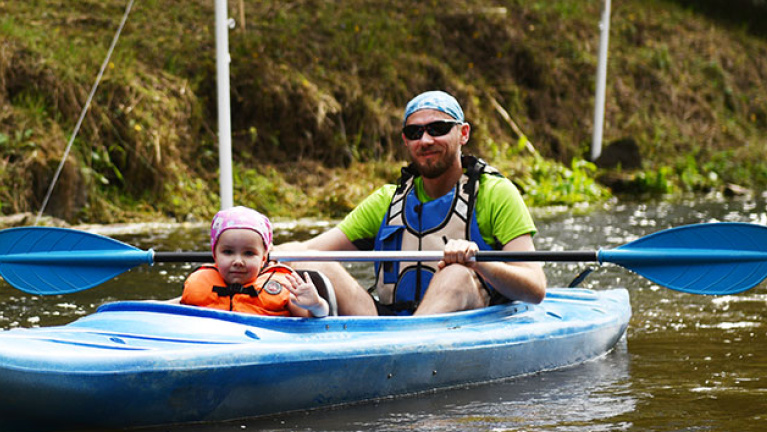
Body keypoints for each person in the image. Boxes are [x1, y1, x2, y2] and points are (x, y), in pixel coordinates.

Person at [280, 90, 546, 316]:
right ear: (406, 140)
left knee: (456, 273)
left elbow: (535, 288)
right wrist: (255, 251)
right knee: (312, 261)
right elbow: (306, 250)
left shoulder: (495, 193)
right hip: (387, 326)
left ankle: (407, 346)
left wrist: (478, 262)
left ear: (463, 133)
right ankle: (396, 347)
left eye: (438, 129)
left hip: (467, 321)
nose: (426, 140)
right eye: (415, 132)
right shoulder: (388, 199)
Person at [181, 206, 329, 318]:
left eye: (249, 253)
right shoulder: (198, 285)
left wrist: (316, 305)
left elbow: (316, 317)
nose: (238, 261)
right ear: (215, 254)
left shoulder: (285, 288)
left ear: (263, 257)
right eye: (228, 252)